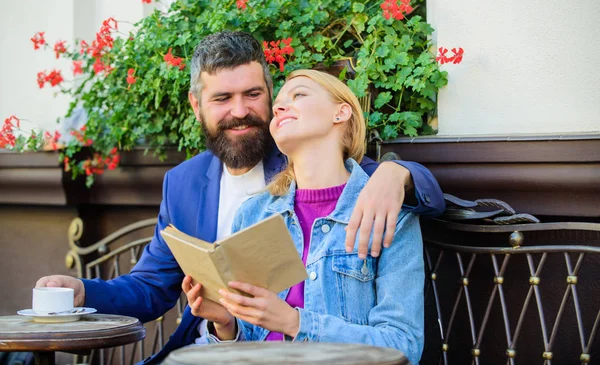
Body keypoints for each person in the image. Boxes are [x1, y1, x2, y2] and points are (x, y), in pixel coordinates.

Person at [35, 31, 443, 364]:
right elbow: (150, 287)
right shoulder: (187, 183)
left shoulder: (320, 166)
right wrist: (84, 293)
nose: (240, 110)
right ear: (197, 106)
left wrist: (398, 172)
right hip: (215, 348)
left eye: (254, 94)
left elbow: (364, 186)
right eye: (222, 99)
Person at [183, 69, 424, 364]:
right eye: (277, 105)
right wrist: (225, 324)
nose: (280, 107)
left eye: (298, 95)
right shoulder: (253, 214)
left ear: (341, 112)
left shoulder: (391, 217)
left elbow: (403, 347)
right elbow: (247, 343)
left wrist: (294, 323)